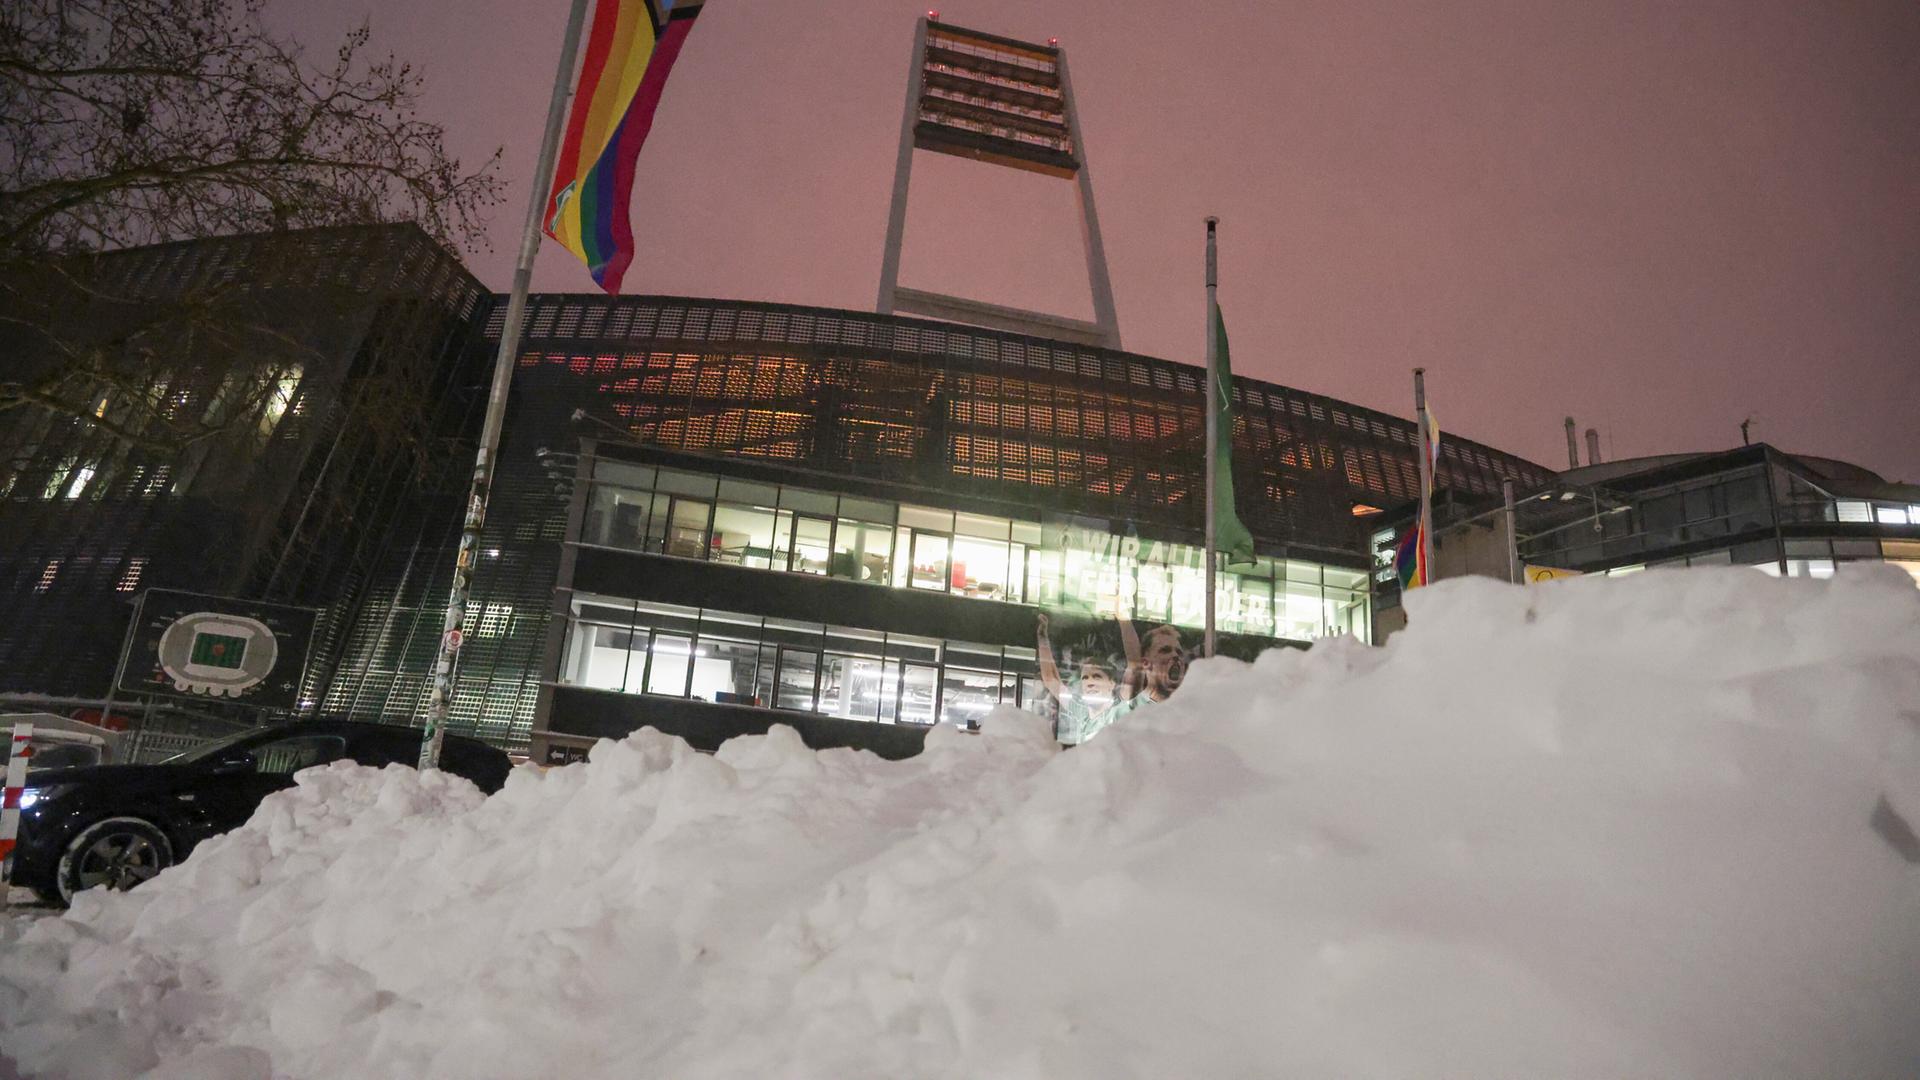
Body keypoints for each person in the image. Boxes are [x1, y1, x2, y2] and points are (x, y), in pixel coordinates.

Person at [1035, 611, 1142, 743]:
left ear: (1112, 683)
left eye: (1097, 676)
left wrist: (1123, 616)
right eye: (1085, 678)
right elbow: (1051, 680)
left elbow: (1135, 665)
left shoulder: (1118, 710)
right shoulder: (1081, 711)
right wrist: (1042, 637)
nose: (1089, 682)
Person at [1134, 623, 1188, 704]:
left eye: (1179, 652)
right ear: (1145, 663)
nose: (1176, 655)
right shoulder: (1125, 712)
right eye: (1165, 651)